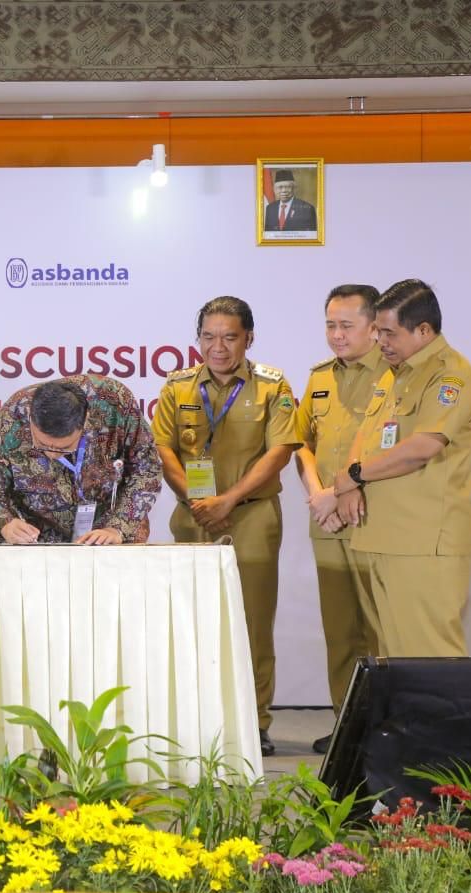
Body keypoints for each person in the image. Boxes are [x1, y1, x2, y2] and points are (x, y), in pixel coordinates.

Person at [153, 296, 301, 756]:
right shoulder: (177, 387)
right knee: (192, 621)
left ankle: (254, 722)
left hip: (251, 516)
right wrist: (197, 500)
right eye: (208, 337)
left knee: (251, 623)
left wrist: (228, 500)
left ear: (248, 339)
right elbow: (163, 449)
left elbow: (280, 451)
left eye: (229, 337)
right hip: (192, 518)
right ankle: (197, 718)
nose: (217, 347)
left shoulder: (272, 386)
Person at [336, 279, 471, 658]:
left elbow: (422, 448)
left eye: (389, 333)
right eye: (377, 331)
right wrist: (350, 482)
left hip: (422, 541)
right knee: (397, 659)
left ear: (424, 330)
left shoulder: (450, 376)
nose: (380, 341)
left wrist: (354, 476)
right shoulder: (393, 374)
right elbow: (367, 433)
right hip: (383, 537)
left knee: (432, 658)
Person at [293, 284, 386, 755]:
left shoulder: (395, 374)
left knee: (380, 630)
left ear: (375, 326)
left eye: (347, 325)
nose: (337, 335)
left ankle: (385, 728)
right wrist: (317, 495)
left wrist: (339, 494)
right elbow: (301, 442)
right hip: (327, 521)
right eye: (331, 325)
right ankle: (346, 728)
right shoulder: (320, 377)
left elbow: (392, 449)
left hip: (373, 517)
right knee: (340, 631)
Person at [0, 376, 161, 545]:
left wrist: (117, 527)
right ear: (30, 419)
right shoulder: (11, 418)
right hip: (38, 541)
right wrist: (5, 522)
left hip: (112, 533)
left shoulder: (115, 402)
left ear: (85, 420)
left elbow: (147, 470)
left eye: (64, 448)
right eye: (42, 445)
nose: (52, 455)